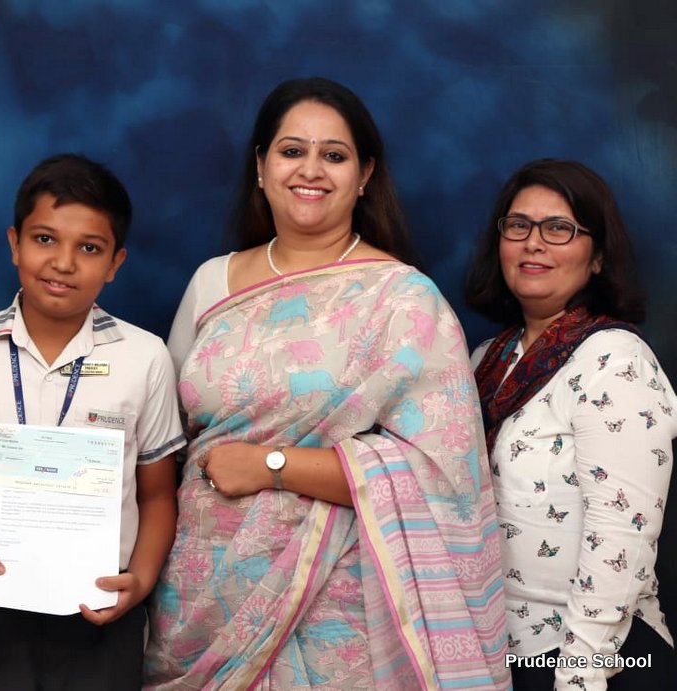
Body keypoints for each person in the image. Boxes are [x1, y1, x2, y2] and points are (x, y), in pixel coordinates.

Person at [144, 77, 510, 689]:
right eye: (292, 151)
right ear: (260, 166)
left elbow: (443, 478)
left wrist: (272, 466)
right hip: (196, 601)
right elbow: (163, 445)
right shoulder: (212, 283)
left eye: (333, 155)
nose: (310, 169)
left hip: (334, 611)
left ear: (364, 175)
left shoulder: (404, 301)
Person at [0, 153, 185, 690]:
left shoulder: (146, 357)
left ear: (115, 262)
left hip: (99, 616)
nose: (63, 263)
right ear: (14, 243)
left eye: (89, 248)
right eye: (45, 239)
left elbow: (158, 494)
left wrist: (139, 582)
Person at [466, 159, 676, 690]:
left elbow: (622, 534)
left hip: (593, 657)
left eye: (559, 228)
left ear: (598, 256)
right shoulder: (485, 361)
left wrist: (579, 673)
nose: (533, 243)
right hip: (494, 655)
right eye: (518, 226)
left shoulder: (615, 361)